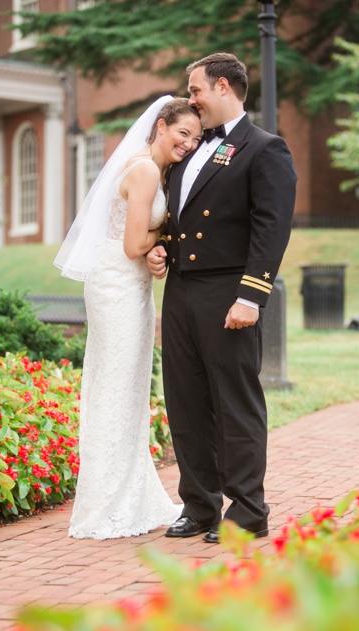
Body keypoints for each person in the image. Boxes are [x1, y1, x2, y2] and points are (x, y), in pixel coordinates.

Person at [145, 53, 297, 544]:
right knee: (186, 401)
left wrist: (252, 297)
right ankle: (200, 505)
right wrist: (163, 249)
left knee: (234, 402)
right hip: (183, 291)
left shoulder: (265, 149)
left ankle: (249, 510)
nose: (190, 100)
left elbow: (270, 229)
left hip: (229, 293)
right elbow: (181, 220)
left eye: (196, 91)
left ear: (225, 87)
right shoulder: (190, 150)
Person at [56, 97, 201, 540]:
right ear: (161, 126)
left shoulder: (155, 169)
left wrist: (156, 249)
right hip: (117, 283)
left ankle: (131, 494)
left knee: (128, 387)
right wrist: (164, 236)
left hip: (130, 284)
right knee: (117, 387)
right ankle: (108, 505)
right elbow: (133, 243)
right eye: (183, 134)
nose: (189, 144)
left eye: (195, 139)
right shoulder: (142, 170)